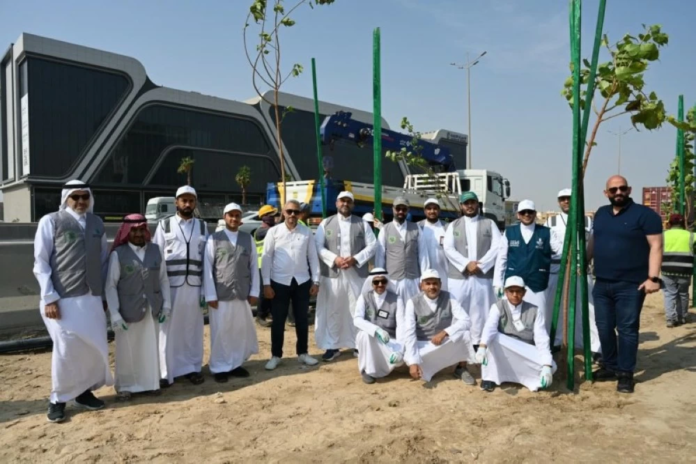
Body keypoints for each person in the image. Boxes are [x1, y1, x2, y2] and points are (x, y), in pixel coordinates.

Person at [33, 180, 113, 423]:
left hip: (91, 298)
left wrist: (102, 295)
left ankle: (83, 392)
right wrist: (49, 297)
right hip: (61, 299)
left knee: (91, 348)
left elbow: (103, 261)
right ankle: (58, 399)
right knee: (66, 349)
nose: (80, 201)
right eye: (75, 197)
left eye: (84, 197)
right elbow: (41, 262)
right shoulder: (51, 221)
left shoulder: (97, 223)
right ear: (66, 198)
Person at [588, 176, 663, 393]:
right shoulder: (601, 214)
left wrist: (653, 278)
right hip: (602, 282)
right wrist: (583, 262)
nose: (618, 192)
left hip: (631, 285)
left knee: (627, 329)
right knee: (603, 327)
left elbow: (656, 246)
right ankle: (610, 365)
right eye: (613, 190)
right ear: (606, 193)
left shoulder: (645, 215)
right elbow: (594, 241)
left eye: (622, 188)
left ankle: (625, 373)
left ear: (629, 190)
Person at [105, 214, 171, 400]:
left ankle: (151, 383)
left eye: (142, 230)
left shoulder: (156, 250)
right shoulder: (118, 254)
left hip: (152, 308)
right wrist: (115, 314)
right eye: (134, 230)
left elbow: (163, 280)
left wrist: (167, 305)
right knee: (127, 350)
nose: (138, 234)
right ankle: (125, 386)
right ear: (127, 232)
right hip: (128, 310)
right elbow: (110, 286)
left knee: (150, 347)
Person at [152, 185, 209, 387]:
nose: (187, 204)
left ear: (195, 203)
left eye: (191, 201)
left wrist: (205, 291)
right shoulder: (164, 225)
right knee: (168, 329)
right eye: (183, 200)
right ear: (176, 202)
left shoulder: (202, 226)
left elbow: (206, 260)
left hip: (194, 286)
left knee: (192, 329)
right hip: (170, 287)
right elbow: (156, 256)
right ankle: (166, 371)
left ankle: (192, 368)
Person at [315, 191, 377, 361]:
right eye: (342, 201)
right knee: (333, 309)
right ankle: (332, 346)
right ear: (336, 203)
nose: (345, 204)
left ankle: (358, 344)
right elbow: (318, 246)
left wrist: (355, 259)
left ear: (353, 204)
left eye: (348, 201)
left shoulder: (362, 223)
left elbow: (373, 245)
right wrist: (334, 259)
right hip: (332, 274)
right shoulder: (325, 223)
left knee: (357, 308)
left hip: (356, 274)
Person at [203, 203, 259, 383]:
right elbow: (207, 268)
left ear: (241, 218)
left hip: (242, 293)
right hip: (221, 294)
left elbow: (253, 266)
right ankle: (219, 367)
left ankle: (235, 364)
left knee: (238, 330)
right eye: (231, 215)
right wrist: (210, 295)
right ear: (224, 217)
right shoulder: (214, 239)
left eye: (237, 215)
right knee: (221, 332)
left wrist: (254, 291)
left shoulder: (247, 239)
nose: (234, 218)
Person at [262, 199, 321, 370]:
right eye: (289, 211)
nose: (292, 215)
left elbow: (313, 257)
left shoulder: (306, 232)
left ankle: (303, 353)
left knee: (302, 319)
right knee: (278, 321)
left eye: (296, 212)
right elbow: (266, 258)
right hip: (279, 282)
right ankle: (276, 355)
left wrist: (316, 280)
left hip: (302, 281)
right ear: (283, 212)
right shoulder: (274, 232)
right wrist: (266, 284)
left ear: (300, 214)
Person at [545, 188, 601, 353]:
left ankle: (594, 346)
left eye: (569, 198)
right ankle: (557, 341)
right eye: (562, 199)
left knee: (588, 308)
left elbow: (593, 244)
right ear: (558, 202)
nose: (566, 201)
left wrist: (586, 262)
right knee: (556, 307)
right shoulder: (551, 222)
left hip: (580, 269)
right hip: (557, 269)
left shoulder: (587, 221)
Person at [476, 276, 555, 393]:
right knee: (494, 338)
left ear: (524, 292)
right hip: (505, 349)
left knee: (552, 366)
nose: (515, 295)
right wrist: (482, 346)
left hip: (525, 350)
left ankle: (530, 379)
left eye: (518, 291)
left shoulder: (535, 311)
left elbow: (541, 339)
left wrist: (547, 365)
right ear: (505, 292)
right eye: (511, 291)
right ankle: (489, 378)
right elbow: (490, 328)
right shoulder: (498, 307)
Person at [443, 191, 501, 349]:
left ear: (477, 204)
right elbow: (448, 248)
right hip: (459, 276)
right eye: (466, 203)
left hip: (483, 276)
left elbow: (497, 246)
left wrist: (481, 265)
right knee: (459, 310)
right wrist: (466, 264)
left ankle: (479, 344)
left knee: (482, 310)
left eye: (472, 203)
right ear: (461, 206)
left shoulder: (489, 223)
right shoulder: (453, 225)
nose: (469, 206)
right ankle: (458, 345)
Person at [403, 269, 476, 384]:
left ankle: (461, 368)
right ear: (421, 286)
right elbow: (409, 332)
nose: (432, 287)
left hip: (442, 342)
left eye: (435, 283)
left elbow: (466, 320)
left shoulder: (449, 297)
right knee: (414, 359)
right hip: (422, 345)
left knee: (464, 334)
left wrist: (445, 332)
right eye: (428, 283)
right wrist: (413, 362)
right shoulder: (412, 302)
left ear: (440, 284)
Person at [494, 199, 557, 327]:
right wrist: (498, 283)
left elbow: (561, 252)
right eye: (523, 212)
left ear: (535, 213)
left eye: (530, 212)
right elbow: (501, 258)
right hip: (513, 283)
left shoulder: (547, 232)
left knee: (539, 319)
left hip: (537, 283)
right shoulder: (509, 232)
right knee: (511, 319)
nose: (527, 214)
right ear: (518, 215)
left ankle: (539, 340)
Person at [354, 268, 405, 384]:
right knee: (364, 334)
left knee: (399, 360)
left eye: (383, 281)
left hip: (389, 340)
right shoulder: (364, 297)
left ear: (387, 282)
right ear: (371, 283)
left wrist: (400, 350)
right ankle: (368, 370)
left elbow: (401, 325)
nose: (380, 284)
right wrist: (376, 330)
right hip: (370, 338)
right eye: (376, 282)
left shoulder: (397, 299)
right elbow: (357, 319)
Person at [375, 197, 430, 302]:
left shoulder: (416, 228)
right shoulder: (385, 229)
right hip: (392, 280)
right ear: (393, 209)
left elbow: (423, 254)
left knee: (414, 308)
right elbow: (380, 256)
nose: (401, 211)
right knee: (393, 308)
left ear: (408, 210)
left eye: (404, 209)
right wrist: (380, 277)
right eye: (398, 208)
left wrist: (424, 278)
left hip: (413, 280)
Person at [661, 213, 695, 327]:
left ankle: (670, 319)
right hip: (685, 270)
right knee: (683, 294)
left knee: (669, 294)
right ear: (683, 223)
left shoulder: (663, 235)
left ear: (670, 223)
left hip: (667, 270)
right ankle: (682, 317)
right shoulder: (691, 235)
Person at [418, 198, 450, 291]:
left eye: (435, 208)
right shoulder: (418, 227)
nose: (432, 211)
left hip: (444, 274)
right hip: (423, 273)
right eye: (429, 209)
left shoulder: (447, 227)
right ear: (424, 211)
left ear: (439, 210)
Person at [254, 205, 278, 327]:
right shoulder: (261, 231)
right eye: (271, 215)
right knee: (264, 291)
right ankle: (260, 315)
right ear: (264, 217)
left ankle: (270, 313)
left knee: (273, 290)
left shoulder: (272, 229)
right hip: (261, 265)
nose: (274, 217)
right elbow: (275, 232)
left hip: (272, 265)